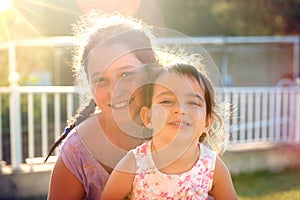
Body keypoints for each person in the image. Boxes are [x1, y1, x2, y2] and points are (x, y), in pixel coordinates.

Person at [46, 11, 159, 200]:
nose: (115, 91)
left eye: (125, 75)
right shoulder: (78, 152)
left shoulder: (176, 126)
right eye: (100, 79)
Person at [101, 63, 238, 199]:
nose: (180, 109)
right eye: (166, 101)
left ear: (207, 122)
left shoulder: (212, 168)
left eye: (193, 103)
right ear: (148, 117)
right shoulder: (134, 164)